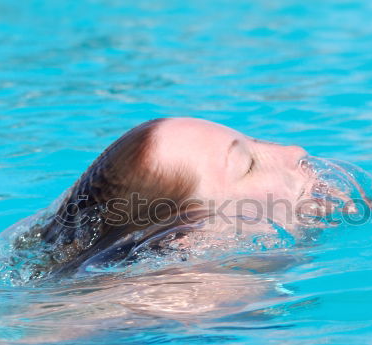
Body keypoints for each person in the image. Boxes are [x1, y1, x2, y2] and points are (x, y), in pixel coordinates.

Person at [22, 117, 333, 275]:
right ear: (188, 240)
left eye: (254, 140)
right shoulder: (193, 297)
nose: (295, 151)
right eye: (249, 165)